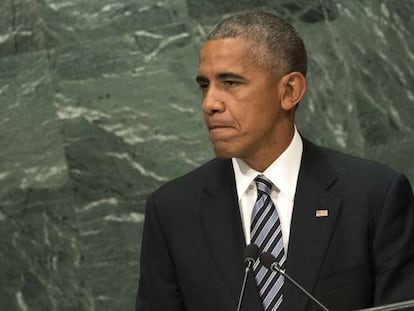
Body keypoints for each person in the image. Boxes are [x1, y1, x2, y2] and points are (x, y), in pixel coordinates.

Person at [136, 11, 414, 311]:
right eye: (205, 85)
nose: (209, 104)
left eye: (230, 83)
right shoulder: (172, 211)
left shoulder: (374, 196)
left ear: (289, 91)